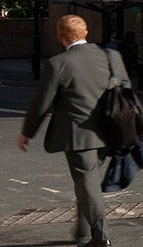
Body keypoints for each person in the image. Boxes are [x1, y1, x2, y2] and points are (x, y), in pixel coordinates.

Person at [18, 13, 124, 247]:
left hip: (79, 134)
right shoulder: (111, 56)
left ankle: (100, 237)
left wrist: (27, 132)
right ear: (85, 32)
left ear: (60, 36)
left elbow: (41, 103)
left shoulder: (58, 64)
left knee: (87, 183)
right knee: (87, 181)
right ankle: (83, 234)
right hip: (111, 131)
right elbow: (125, 90)